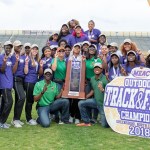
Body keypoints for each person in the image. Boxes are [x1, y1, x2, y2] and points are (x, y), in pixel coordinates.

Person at [77, 63, 109, 127]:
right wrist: (86, 97)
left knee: (105, 125)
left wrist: (103, 90)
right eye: (95, 68)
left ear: (101, 69)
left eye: (98, 68)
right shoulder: (92, 79)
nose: (97, 69)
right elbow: (93, 90)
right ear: (93, 69)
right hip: (95, 101)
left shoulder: (106, 79)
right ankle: (86, 122)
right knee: (81, 103)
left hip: (103, 105)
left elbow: (111, 93)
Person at [11, 40, 26, 128]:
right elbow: (13, 70)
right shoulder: (13, 56)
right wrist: (16, 61)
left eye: (20, 46)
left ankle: (16, 119)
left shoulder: (22, 56)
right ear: (14, 47)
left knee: (18, 99)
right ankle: (15, 119)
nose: (19, 47)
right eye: (17, 46)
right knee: (22, 97)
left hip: (22, 79)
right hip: (16, 79)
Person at [24, 44, 40, 125]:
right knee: (29, 100)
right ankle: (28, 118)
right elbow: (26, 72)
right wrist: (26, 64)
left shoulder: (36, 60)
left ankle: (29, 117)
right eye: (33, 49)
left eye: (36, 49)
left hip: (34, 81)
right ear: (31, 50)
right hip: (29, 81)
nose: (35, 50)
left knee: (31, 100)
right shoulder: (28, 59)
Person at [0, 41, 13, 129]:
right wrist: (4, 62)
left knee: (5, 103)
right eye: (6, 47)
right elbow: (2, 70)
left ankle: (2, 122)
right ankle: (2, 121)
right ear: (4, 48)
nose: (8, 49)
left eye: (9, 48)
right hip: (4, 84)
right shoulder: (1, 57)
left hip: (9, 84)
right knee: (9, 102)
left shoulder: (10, 58)